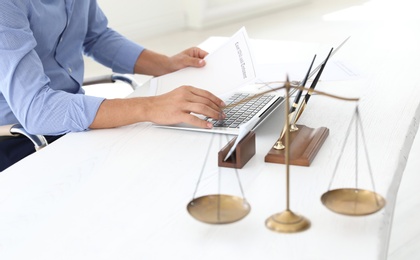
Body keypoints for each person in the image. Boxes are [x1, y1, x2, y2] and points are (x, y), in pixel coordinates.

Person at [0, 0, 226, 171]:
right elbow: (38, 110)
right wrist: (149, 107)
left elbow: (96, 37)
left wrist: (166, 65)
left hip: (71, 124)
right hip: (19, 138)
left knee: (175, 158)